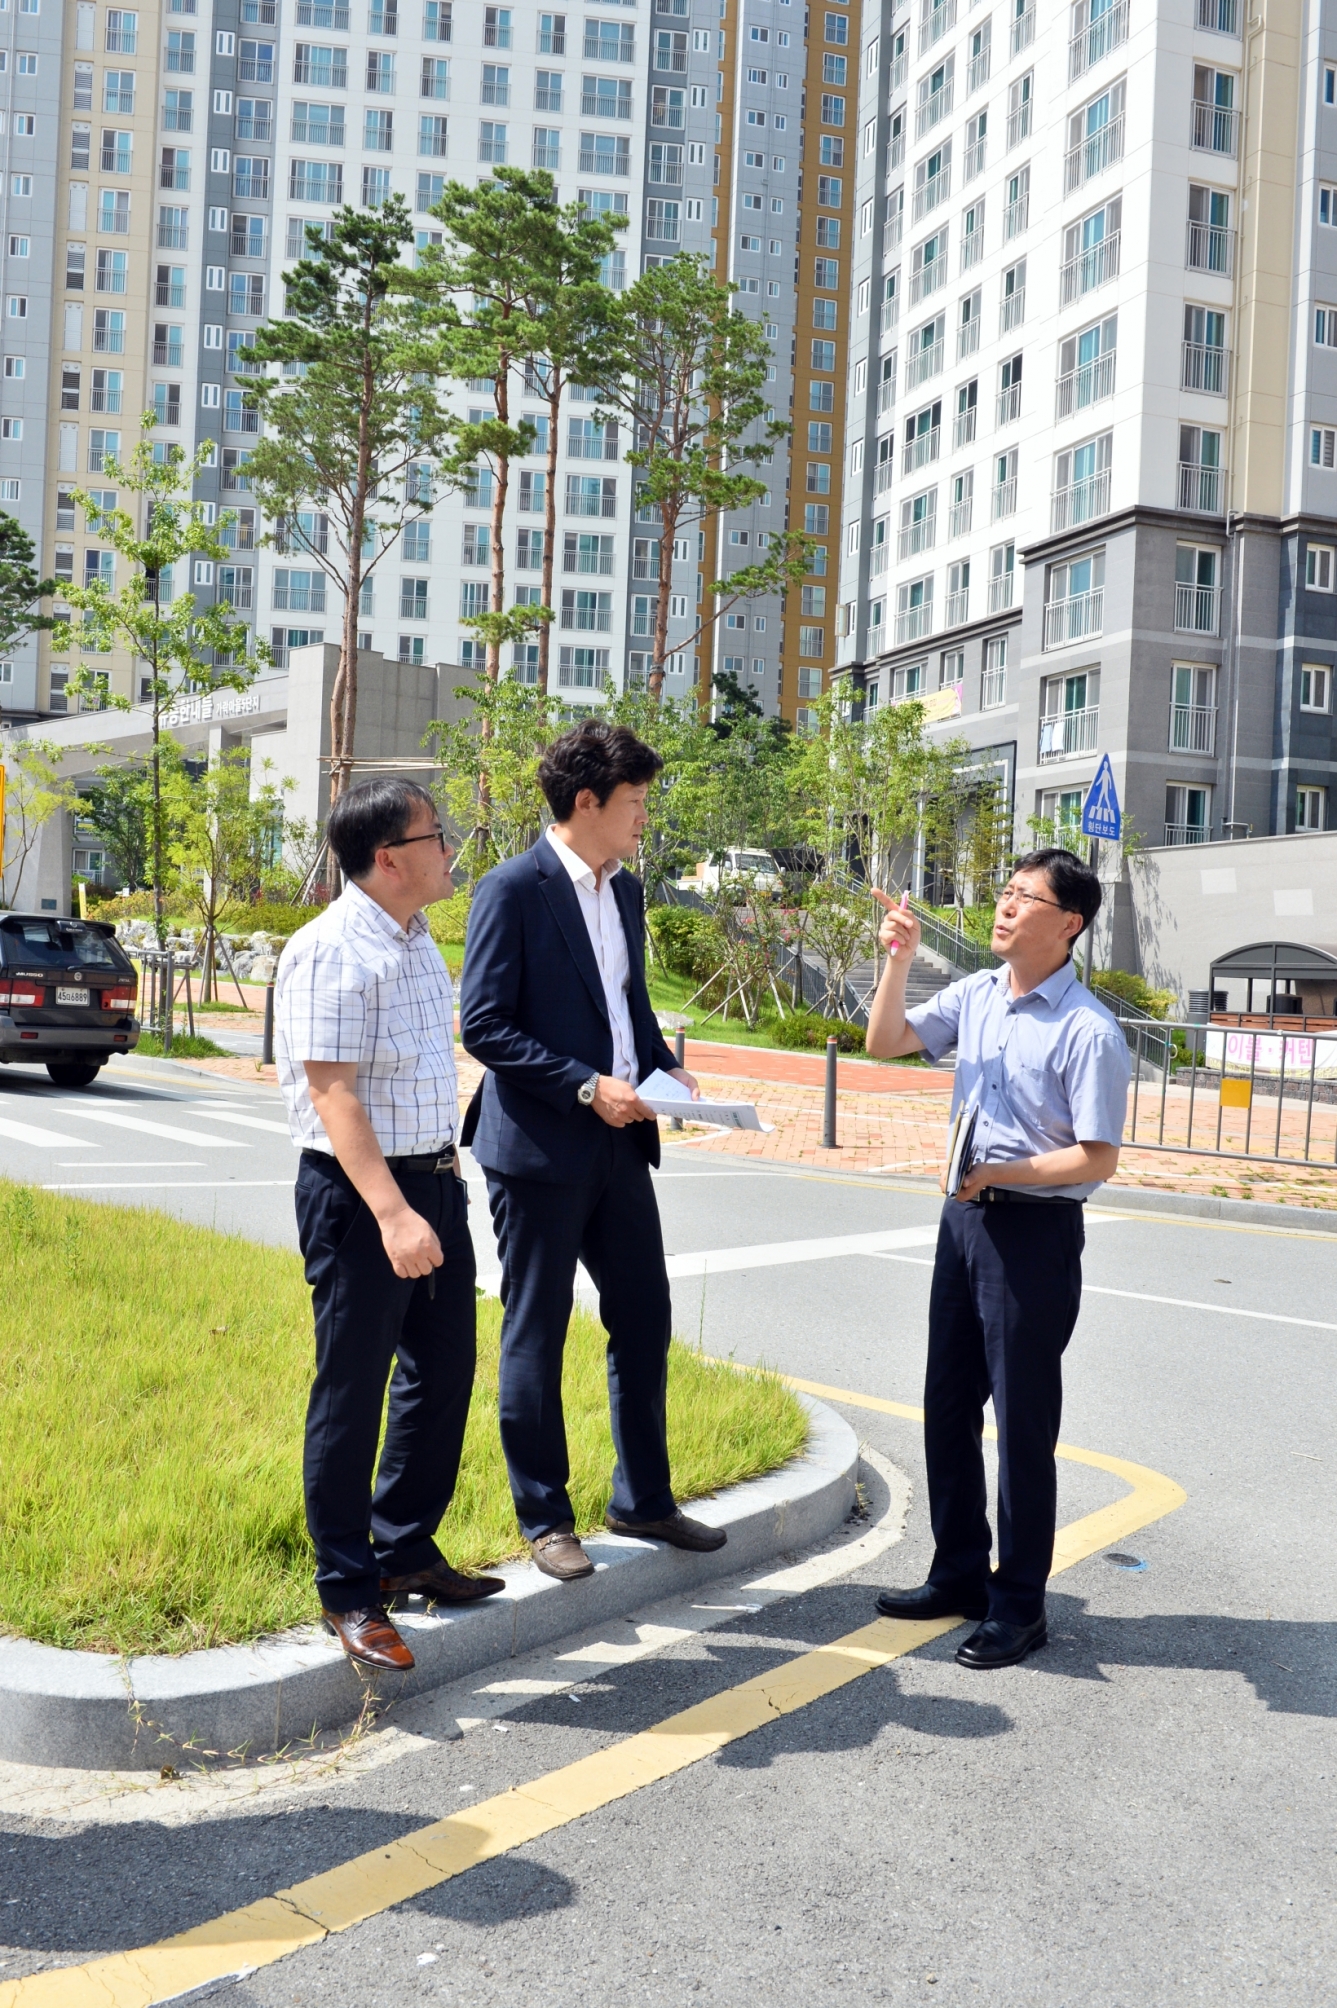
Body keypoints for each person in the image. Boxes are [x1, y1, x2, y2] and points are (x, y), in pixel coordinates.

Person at [459, 719, 727, 1581]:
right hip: (537, 1149)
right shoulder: (513, 889)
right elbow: (486, 1026)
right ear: (587, 802)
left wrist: (670, 1074)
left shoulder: (628, 894)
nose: (645, 817)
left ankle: (642, 1499)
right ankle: (545, 1518)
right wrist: (585, 1085)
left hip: (622, 1144)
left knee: (644, 1317)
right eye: (636, 802)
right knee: (534, 1331)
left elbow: (628, 1012)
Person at [866, 849, 1131, 1670]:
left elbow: (1095, 1158)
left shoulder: (1088, 1030)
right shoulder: (977, 994)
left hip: (1031, 1235)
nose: (1005, 907)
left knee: (1021, 1427)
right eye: (1005, 892)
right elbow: (885, 1044)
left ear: (1069, 924)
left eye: (1025, 898)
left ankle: (1019, 1605)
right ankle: (956, 1574)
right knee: (945, 1406)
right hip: (963, 1221)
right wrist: (898, 960)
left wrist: (1001, 1173)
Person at [275, 778, 503, 1674]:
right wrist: (394, 1213)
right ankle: (347, 1589)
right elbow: (333, 1096)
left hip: (433, 1184)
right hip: (363, 1197)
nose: (449, 848)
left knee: (442, 1372)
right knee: (352, 1388)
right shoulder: (332, 949)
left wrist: (435, 1195)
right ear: (389, 858)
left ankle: (405, 1547)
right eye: (435, 835)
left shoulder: (414, 940)